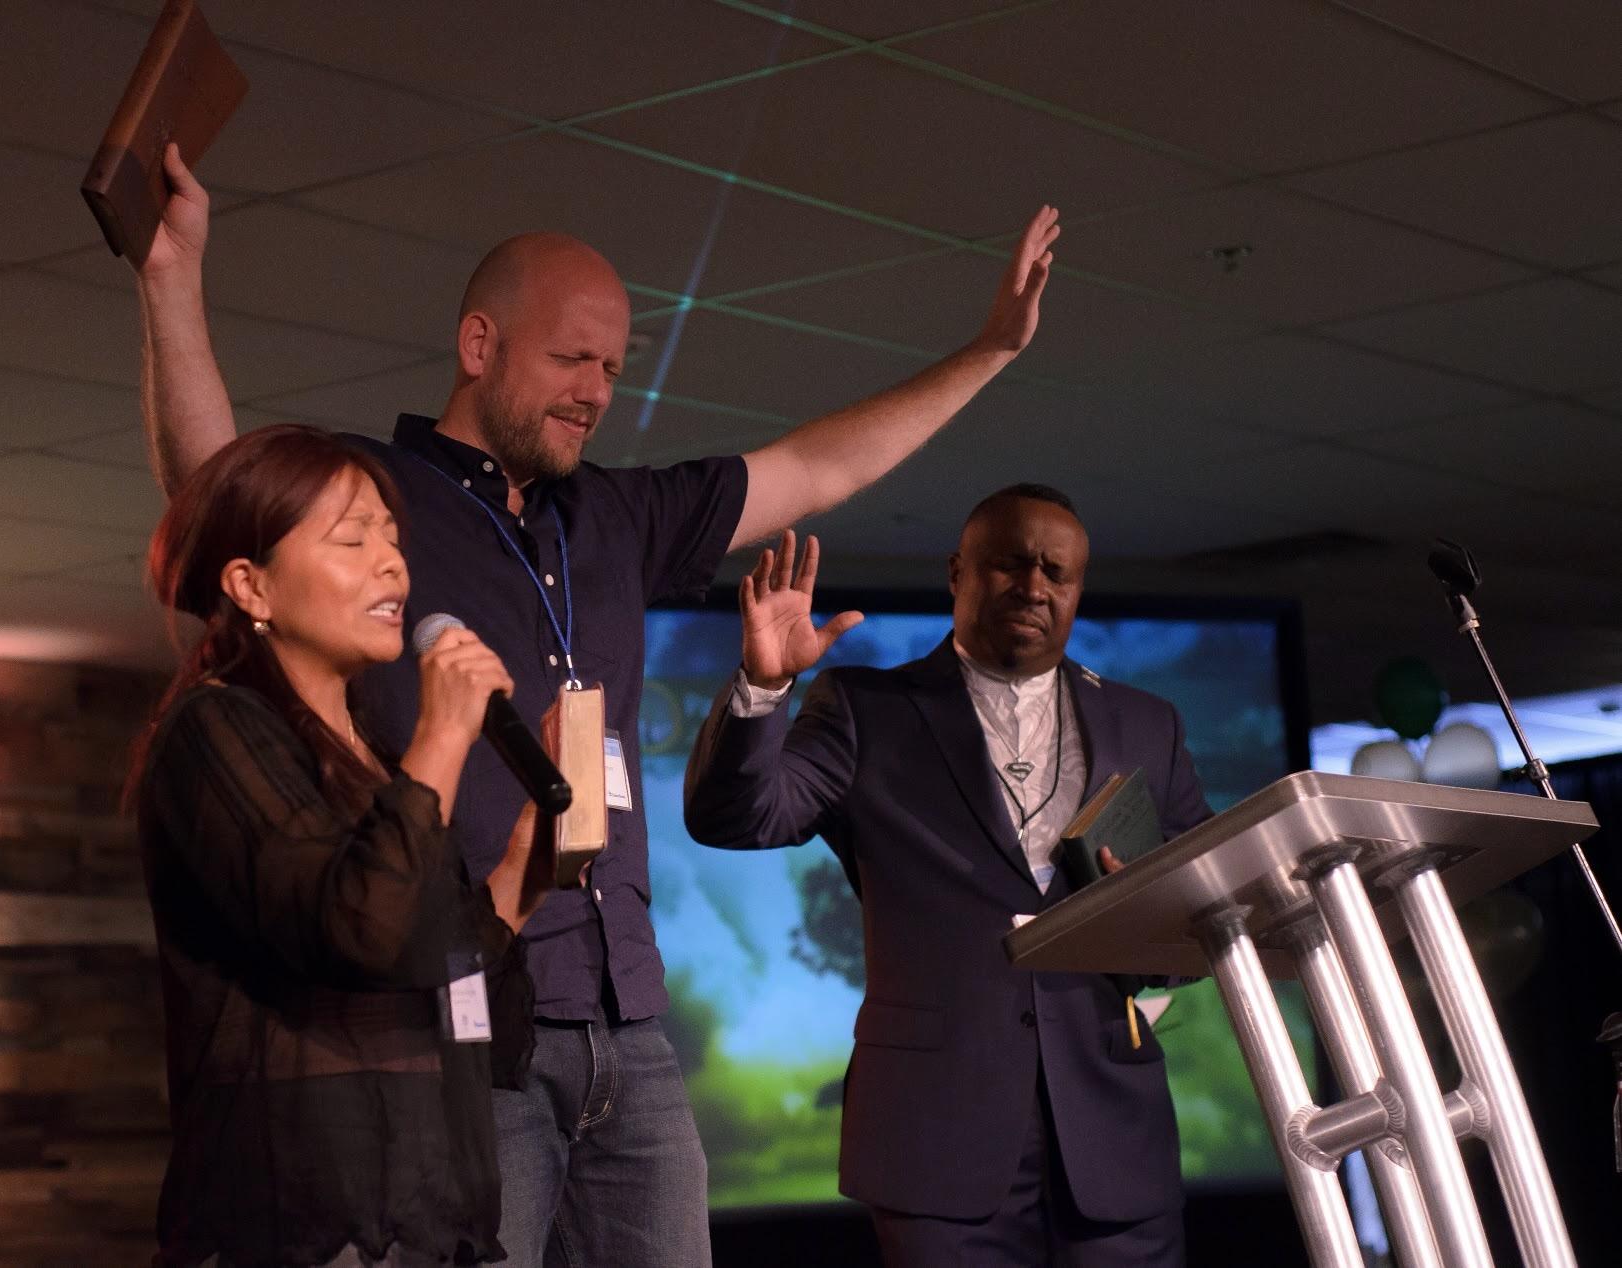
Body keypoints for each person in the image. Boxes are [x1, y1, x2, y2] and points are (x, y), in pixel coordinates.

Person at [131, 139, 1059, 1266]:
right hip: (474, 1017)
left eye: (614, 368)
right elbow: (215, 494)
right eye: (572, 358)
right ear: (480, 345)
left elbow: (817, 467)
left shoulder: (618, 514)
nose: (597, 392)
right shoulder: (379, 502)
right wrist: (171, 282)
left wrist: (988, 352)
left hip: (631, 1023)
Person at [682, 487, 1213, 1266]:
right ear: (957, 572)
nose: (1034, 586)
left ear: (1076, 592)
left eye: (1056, 574)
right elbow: (742, 818)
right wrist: (763, 688)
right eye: (1010, 563)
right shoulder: (869, 708)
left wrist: (1146, 922)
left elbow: (1207, 914)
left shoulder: (1147, 722)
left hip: (1112, 1135)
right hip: (935, 1136)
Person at [130, 423, 552, 1267]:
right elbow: (356, 930)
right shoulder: (214, 731)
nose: (393, 564)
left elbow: (485, 1038)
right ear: (252, 587)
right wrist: (440, 737)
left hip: (436, 1228)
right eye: (352, 539)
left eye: (393, 540)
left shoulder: (385, 770)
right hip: (302, 1231)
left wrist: (519, 879)